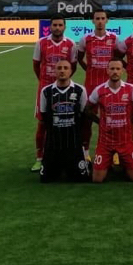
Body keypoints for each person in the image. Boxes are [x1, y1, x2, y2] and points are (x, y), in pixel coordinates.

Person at [31, 15, 78, 171]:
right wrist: (45, 82)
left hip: (64, 88)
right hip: (45, 88)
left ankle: (63, 153)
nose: (57, 28)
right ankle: (39, 158)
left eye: (60, 25)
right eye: (54, 25)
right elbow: (36, 66)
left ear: (64, 27)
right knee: (42, 123)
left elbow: (72, 66)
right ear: (50, 27)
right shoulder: (41, 43)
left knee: (65, 121)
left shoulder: (71, 44)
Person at [77, 10, 125, 149]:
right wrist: (89, 69)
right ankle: (85, 152)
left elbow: (118, 59)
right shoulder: (85, 39)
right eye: (97, 18)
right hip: (91, 84)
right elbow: (79, 58)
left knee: (114, 119)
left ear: (107, 21)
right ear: (92, 21)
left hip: (110, 85)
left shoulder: (114, 38)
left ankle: (115, 150)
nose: (99, 21)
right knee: (87, 119)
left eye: (102, 18)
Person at [87, 60, 133, 183]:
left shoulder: (131, 89)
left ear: (122, 71)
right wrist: (99, 121)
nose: (115, 72)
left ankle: (124, 164)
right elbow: (87, 109)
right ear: (107, 71)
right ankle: (107, 165)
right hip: (105, 142)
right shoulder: (99, 90)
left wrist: (131, 118)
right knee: (97, 179)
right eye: (112, 69)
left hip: (125, 140)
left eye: (117, 69)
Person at [38, 60, 91, 183]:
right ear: (55, 71)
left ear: (71, 71)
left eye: (66, 68)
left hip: (73, 142)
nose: (62, 70)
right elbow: (44, 116)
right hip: (53, 143)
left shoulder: (80, 90)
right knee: (46, 179)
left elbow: (84, 115)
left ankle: (79, 162)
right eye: (59, 68)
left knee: (79, 179)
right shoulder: (46, 91)